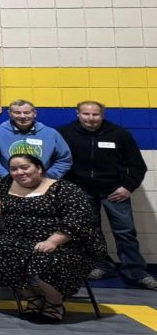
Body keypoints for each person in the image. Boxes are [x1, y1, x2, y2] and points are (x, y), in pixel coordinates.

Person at [0, 153, 107, 322]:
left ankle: (54, 303)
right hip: (19, 239)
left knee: (44, 257)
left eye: (25, 167)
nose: (19, 172)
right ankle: (32, 298)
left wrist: (53, 241)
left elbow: (77, 220)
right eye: (13, 169)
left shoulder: (64, 189)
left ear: (39, 168)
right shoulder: (7, 184)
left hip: (64, 241)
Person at [57, 100, 157, 290]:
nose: (91, 118)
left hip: (114, 191)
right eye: (86, 114)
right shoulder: (64, 133)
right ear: (78, 114)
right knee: (91, 232)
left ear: (102, 115)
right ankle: (100, 265)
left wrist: (127, 187)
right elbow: (57, 162)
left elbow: (137, 166)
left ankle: (135, 271)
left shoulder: (119, 134)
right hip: (81, 192)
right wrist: (69, 188)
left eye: (95, 114)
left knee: (125, 232)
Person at [0, 100, 72, 194]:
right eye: (17, 112)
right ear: (10, 114)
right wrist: (6, 176)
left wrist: (47, 176)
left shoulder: (51, 133)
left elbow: (64, 159)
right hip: (9, 186)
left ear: (34, 113)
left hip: (43, 186)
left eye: (27, 112)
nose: (22, 116)